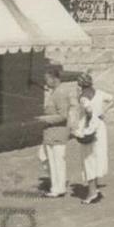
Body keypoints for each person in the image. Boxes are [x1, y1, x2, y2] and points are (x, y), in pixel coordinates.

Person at [71, 71, 111, 204]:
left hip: (90, 129)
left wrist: (88, 123)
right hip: (100, 127)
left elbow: (88, 110)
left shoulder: (83, 97)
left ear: (80, 85)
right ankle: (95, 189)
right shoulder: (99, 93)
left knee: (88, 160)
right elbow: (113, 99)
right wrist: (102, 112)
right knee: (97, 156)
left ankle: (92, 192)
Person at [41, 63, 77, 197]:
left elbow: (62, 115)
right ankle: (56, 186)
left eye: (47, 79)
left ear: (53, 78)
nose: (46, 82)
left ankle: (58, 187)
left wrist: (45, 119)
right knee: (50, 159)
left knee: (57, 161)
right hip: (51, 132)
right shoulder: (56, 91)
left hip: (58, 132)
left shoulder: (61, 92)